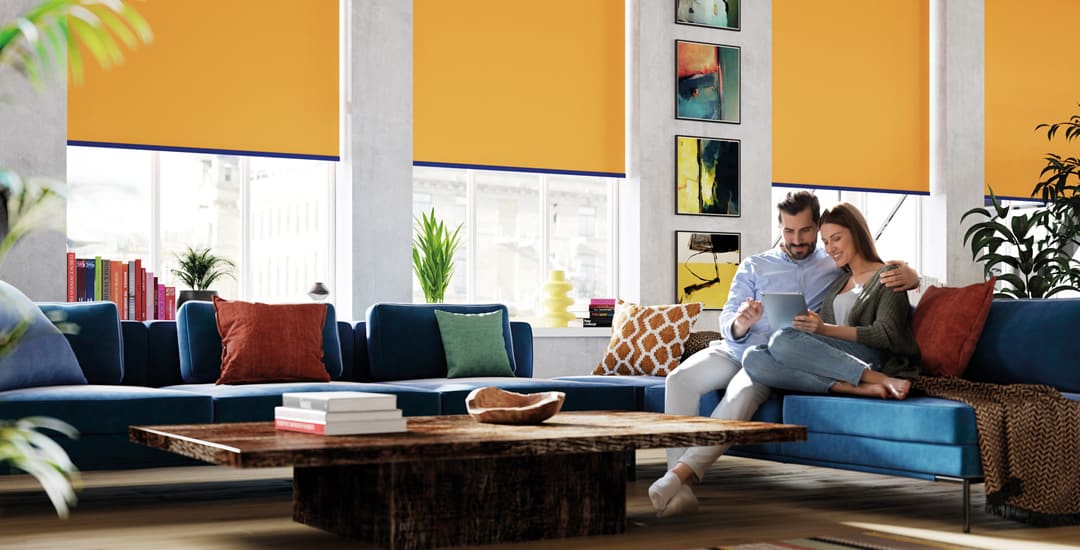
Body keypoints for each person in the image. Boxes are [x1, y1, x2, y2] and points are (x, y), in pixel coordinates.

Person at [648, 191, 920, 517]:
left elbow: (875, 275)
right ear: (780, 227)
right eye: (789, 231)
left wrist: (912, 275)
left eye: (805, 231)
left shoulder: (832, 264)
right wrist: (741, 322)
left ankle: (678, 479)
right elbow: (727, 321)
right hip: (737, 349)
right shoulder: (755, 265)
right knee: (678, 379)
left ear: (815, 227)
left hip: (782, 358)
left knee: (745, 389)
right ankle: (679, 483)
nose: (797, 239)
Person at [740, 203, 920, 399]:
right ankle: (852, 387)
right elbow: (825, 337)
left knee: (782, 340)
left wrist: (824, 329)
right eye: (825, 242)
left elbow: (886, 335)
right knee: (753, 357)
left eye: (837, 238)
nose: (830, 248)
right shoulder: (840, 280)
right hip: (835, 358)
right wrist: (810, 328)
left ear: (857, 234)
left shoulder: (889, 276)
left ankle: (878, 378)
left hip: (874, 357)